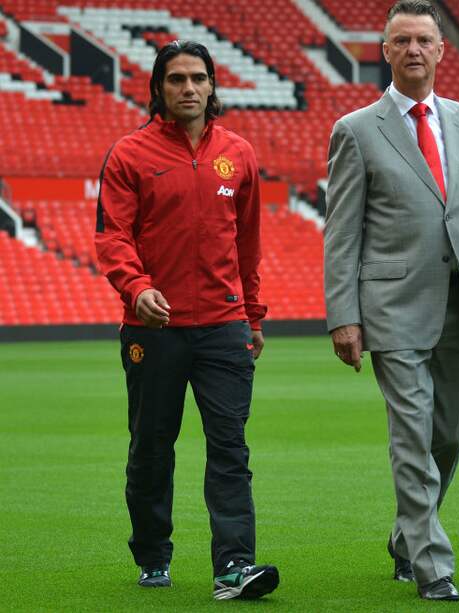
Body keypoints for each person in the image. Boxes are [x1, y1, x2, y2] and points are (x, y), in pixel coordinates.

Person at [323, 0, 459, 602]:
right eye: (402, 40)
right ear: (386, 50)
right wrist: (343, 316)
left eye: (424, 39)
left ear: (441, 49)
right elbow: (342, 231)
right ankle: (432, 565)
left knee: (446, 437)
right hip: (393, 307)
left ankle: (407, 535)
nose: (414, 50)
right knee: (411, 435)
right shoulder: (355, 130)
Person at [94, 40, 279, 601]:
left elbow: (247, 243)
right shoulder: (129, 155)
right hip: (153, 330)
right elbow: (112, 237)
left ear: (213, 85)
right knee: (151, 446)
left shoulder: (239, 154)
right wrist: (138, 287)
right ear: (159, 88)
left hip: (224, 327)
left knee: (230, 449)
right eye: (176, 79)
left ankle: (234, 567)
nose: (189, 88)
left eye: (198, 78)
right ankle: (153, 555)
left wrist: (252, 316)